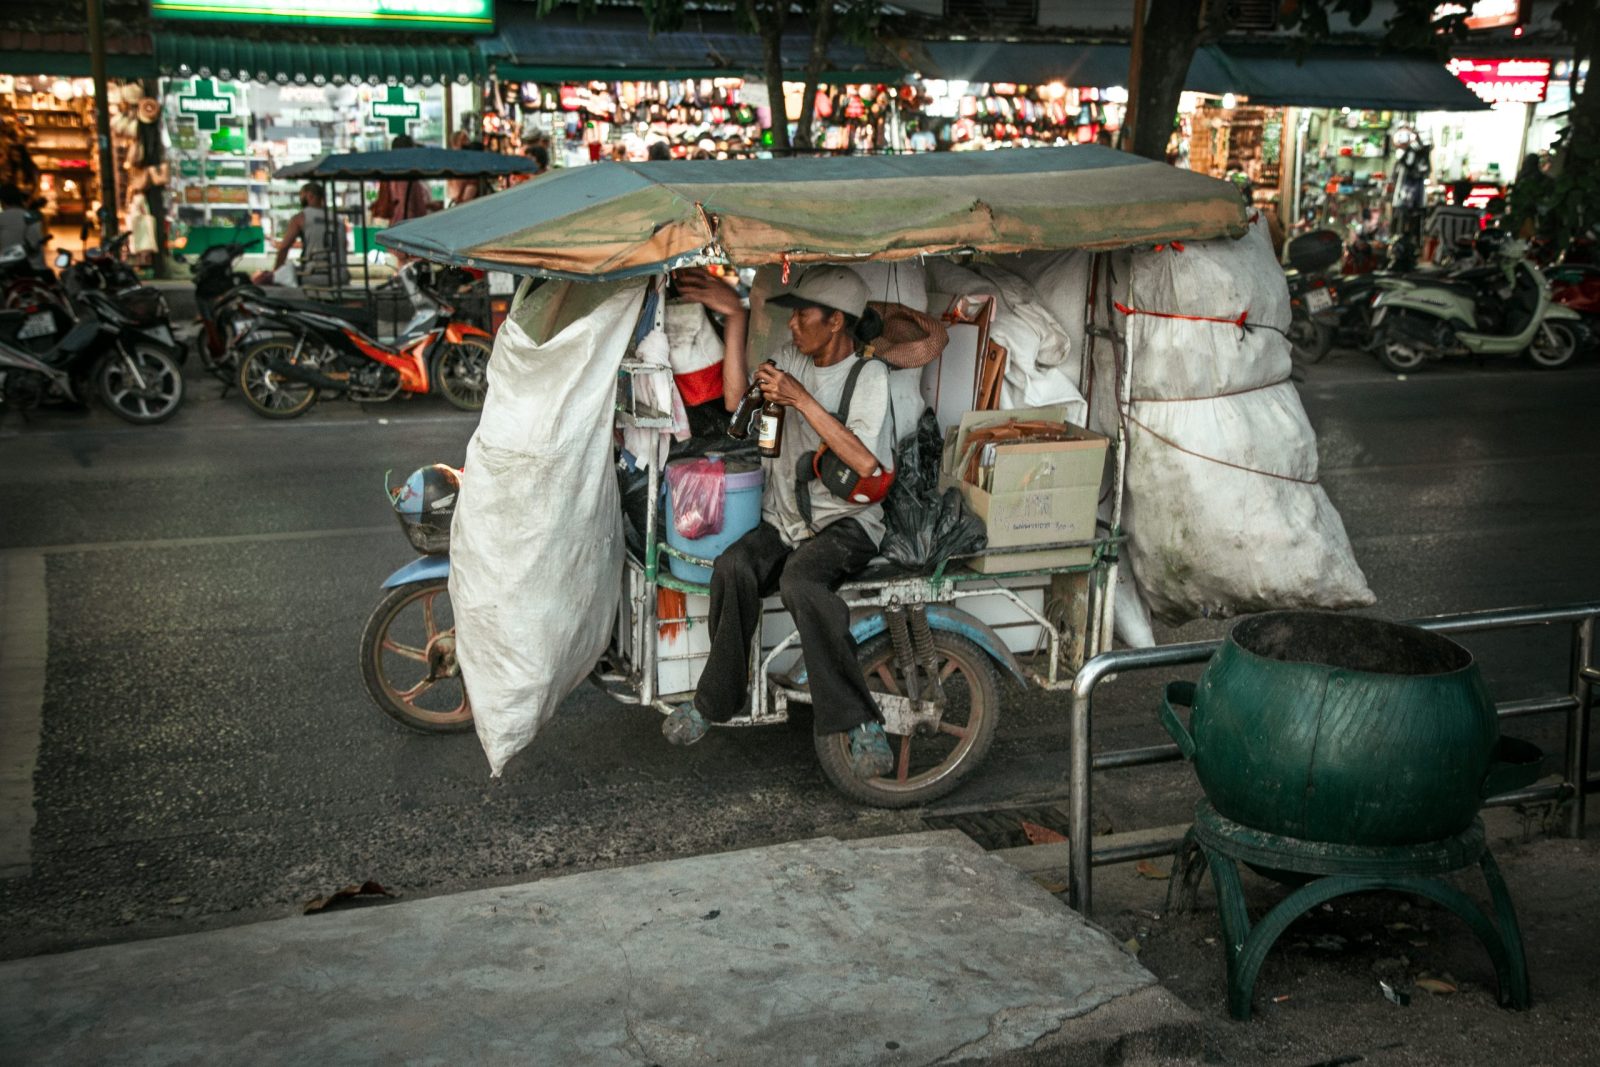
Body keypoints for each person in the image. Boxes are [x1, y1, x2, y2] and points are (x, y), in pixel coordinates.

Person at [662, 265, 898, 779]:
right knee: (733, 567)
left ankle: (859, 721)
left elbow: (864, 462)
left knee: (801, 582)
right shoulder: (792, 359)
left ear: (836, 321)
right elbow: (734, 402)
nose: (792, 325)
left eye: (802, 315)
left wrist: (801, 399)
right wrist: (735, 318)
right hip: (785, 518)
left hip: (847, 523)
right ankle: (714, 700)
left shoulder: (868, 376)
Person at [271, 183, 348, 289]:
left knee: (270, 278)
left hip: (315, 275)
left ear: (309, 195)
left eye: (301, 195)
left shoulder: (301, 217)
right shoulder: (338, 220)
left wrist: (275, 273)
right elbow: (344, 247)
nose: (300, 199)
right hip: (341, 276)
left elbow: (284, 248)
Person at [0, 182, 46, 269]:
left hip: (9, 266)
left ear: (2, 201)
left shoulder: (2, 217)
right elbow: (37, 240)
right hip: (36, 266)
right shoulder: (31, 216)